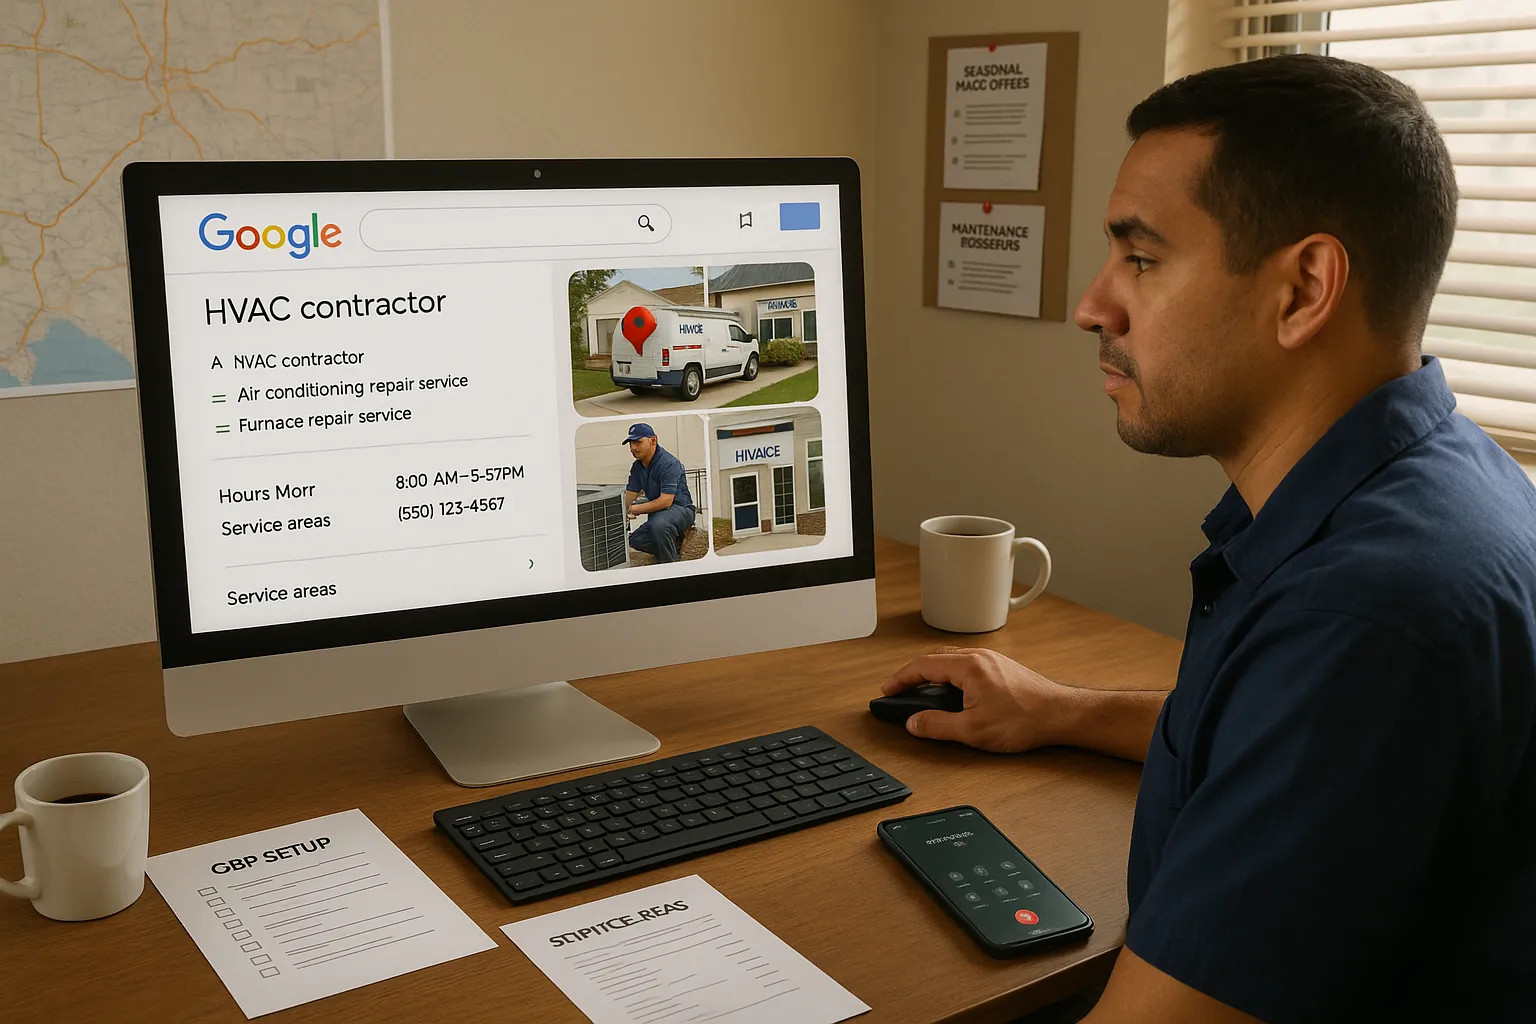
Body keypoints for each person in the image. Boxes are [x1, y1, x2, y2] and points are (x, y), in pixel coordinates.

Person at [881, 54, 1536, 1023]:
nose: (1093, 305)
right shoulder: (1446, 479)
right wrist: (1057, 709)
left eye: (1140, 258)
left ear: (1306, 288)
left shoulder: (1363, 616)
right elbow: (1278, 745)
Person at [621, 422, 696, 563]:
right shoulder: (637, 466)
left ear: (653, 440)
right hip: (659, 515)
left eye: (638, 442)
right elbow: (630, 494)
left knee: (658, 525)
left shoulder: (669, 463)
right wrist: (622, 512)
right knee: (635, 540)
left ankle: (670, 567)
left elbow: (666, 501)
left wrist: (634, 509)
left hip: (681, 508)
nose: (633, 448)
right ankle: (673, 546)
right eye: (630, 443)